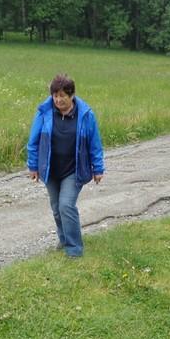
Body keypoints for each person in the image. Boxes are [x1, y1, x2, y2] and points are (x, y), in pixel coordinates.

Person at [27, 74, 105, 257]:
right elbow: (33, 141)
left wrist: (98, 168)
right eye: (55, 95)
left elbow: (95, 143)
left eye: (62, 95)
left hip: (74, 170)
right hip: (50, 169)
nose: (58, 100)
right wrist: (33, 166)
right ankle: (63, 239)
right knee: (56, 208)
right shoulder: (44, 112)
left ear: (72, 95)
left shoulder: (86, 115)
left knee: (66, 205)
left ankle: (74, 248)